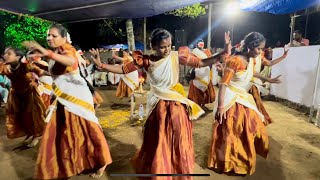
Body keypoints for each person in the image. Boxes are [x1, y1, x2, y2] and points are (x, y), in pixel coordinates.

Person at [89, 28, 224, 178]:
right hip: (157, 104)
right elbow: (123, 69)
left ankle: (177, 169)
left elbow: (201, 62)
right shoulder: (145, 60)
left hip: (176, 103)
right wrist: (102, 66)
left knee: (178, 136)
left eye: (169, 45)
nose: (166, 50)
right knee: (159, 139)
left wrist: (221, 55)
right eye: (162, 46)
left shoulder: (176, 56)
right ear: (153, 46)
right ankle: (161, 169)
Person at [23, 23, 112, 179]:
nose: (49, 38)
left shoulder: (68, 50)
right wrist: (39, 70)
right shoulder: (56, 52)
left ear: (64, 38)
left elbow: (71, 62)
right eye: (48, 35)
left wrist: (47, 53)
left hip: (76, 98)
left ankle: (101, 161)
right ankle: (71, 162)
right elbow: (57, 75)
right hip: (62, 99)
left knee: (88, 130)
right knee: (65, 132)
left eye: (54, 35)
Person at [208, 32, 283, 175]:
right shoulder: (235, 61)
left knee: (255, 127)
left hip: (242, 97)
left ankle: (241, 161)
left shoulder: (252, 60)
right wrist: (221, 107)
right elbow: (224, 84)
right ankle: (231, 163)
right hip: (230, 99)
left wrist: (269, 80)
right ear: (250, 46)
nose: (261, 52)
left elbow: (252, 73)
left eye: (262, 49)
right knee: (232, 132)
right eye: (259, 49)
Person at [0, 47, 47, 147]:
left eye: (9, 54)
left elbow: (42, 72)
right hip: (16, 96)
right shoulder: (4, 67)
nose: (5, 56)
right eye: (4, 53)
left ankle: (35, 136)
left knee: (32, 116)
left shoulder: (26, 66)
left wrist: (61, 76)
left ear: (18, 57)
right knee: (21, 117)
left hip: (29, 94)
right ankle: (29, 134)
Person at [187, 39, 216, 110]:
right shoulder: (194, 52)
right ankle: (197, 105)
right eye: (199, 44)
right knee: (196, 91)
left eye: (202, 43)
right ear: (197, 44)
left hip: (206, 73)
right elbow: (191, 62)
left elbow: (210, 61)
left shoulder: (207, 51)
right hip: (197, 73)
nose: (201, 45)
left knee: (206, 90)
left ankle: (203, 104)